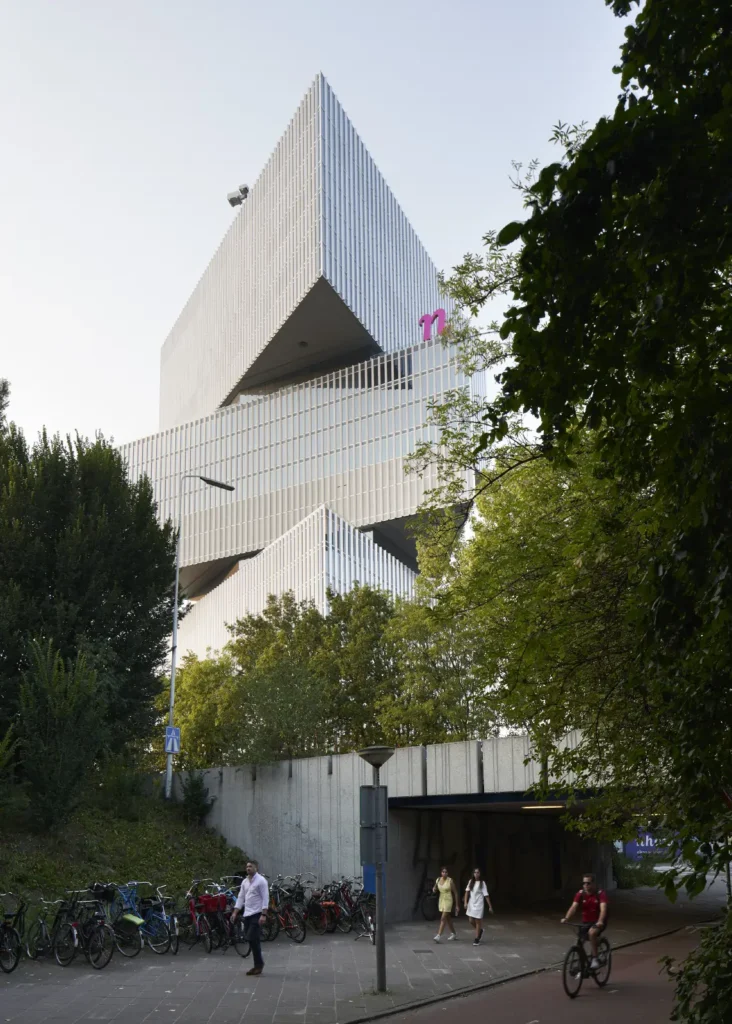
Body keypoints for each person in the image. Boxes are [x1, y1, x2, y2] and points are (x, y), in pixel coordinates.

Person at [561, 872, 608, 969]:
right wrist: (566, 918)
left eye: (588, 883)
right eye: (584, 883)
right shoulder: (580, 894)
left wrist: (600, 921)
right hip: (586, 922)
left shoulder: (600, 894)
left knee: (591, 933)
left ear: (594, 883)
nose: (585, 885)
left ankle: (595, 959)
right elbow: (573, 907)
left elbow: (603, 909)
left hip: (598, 921)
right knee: (580, 941)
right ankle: (582, 962)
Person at [230, 860, 269, 975]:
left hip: (257, 914)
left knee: (251, 938)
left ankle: (259, 964)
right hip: (247, 913)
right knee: (253, 940)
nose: (248, 868)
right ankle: (258, 965)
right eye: (247, 866)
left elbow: (265, 898)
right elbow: (241, 897)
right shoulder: (244, 882)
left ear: (256, 868)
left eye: (250, 866)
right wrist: (235, 912)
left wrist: (264, 914)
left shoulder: (261, 881)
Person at [463, 867, 493, 945]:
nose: (476, 874)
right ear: (473, 874)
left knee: (477, 921)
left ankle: (477, 938)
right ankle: (480, 931)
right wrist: (465, 902)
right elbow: (467, 892)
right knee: (470, 920)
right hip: (471, 903)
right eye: (475, 872)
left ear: (480, 874)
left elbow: (486, 895)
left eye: (478, 872)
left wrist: (490, 906)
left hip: (479, 904)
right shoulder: (471, 882)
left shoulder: (482, 883)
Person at [432, 866, 459, 942]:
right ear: (441, 873)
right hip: (441, 900)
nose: (444, 873)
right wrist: (434, 889)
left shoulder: (450, 881)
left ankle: (438, 935)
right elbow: (435, 888)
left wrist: (457, 905)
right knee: (448, 918)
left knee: (443, 918)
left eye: (446, 872)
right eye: (443, 872)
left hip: (448, 900)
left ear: (448, 873)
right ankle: (454, 933)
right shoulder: (438, 880)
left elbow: (455, 893)